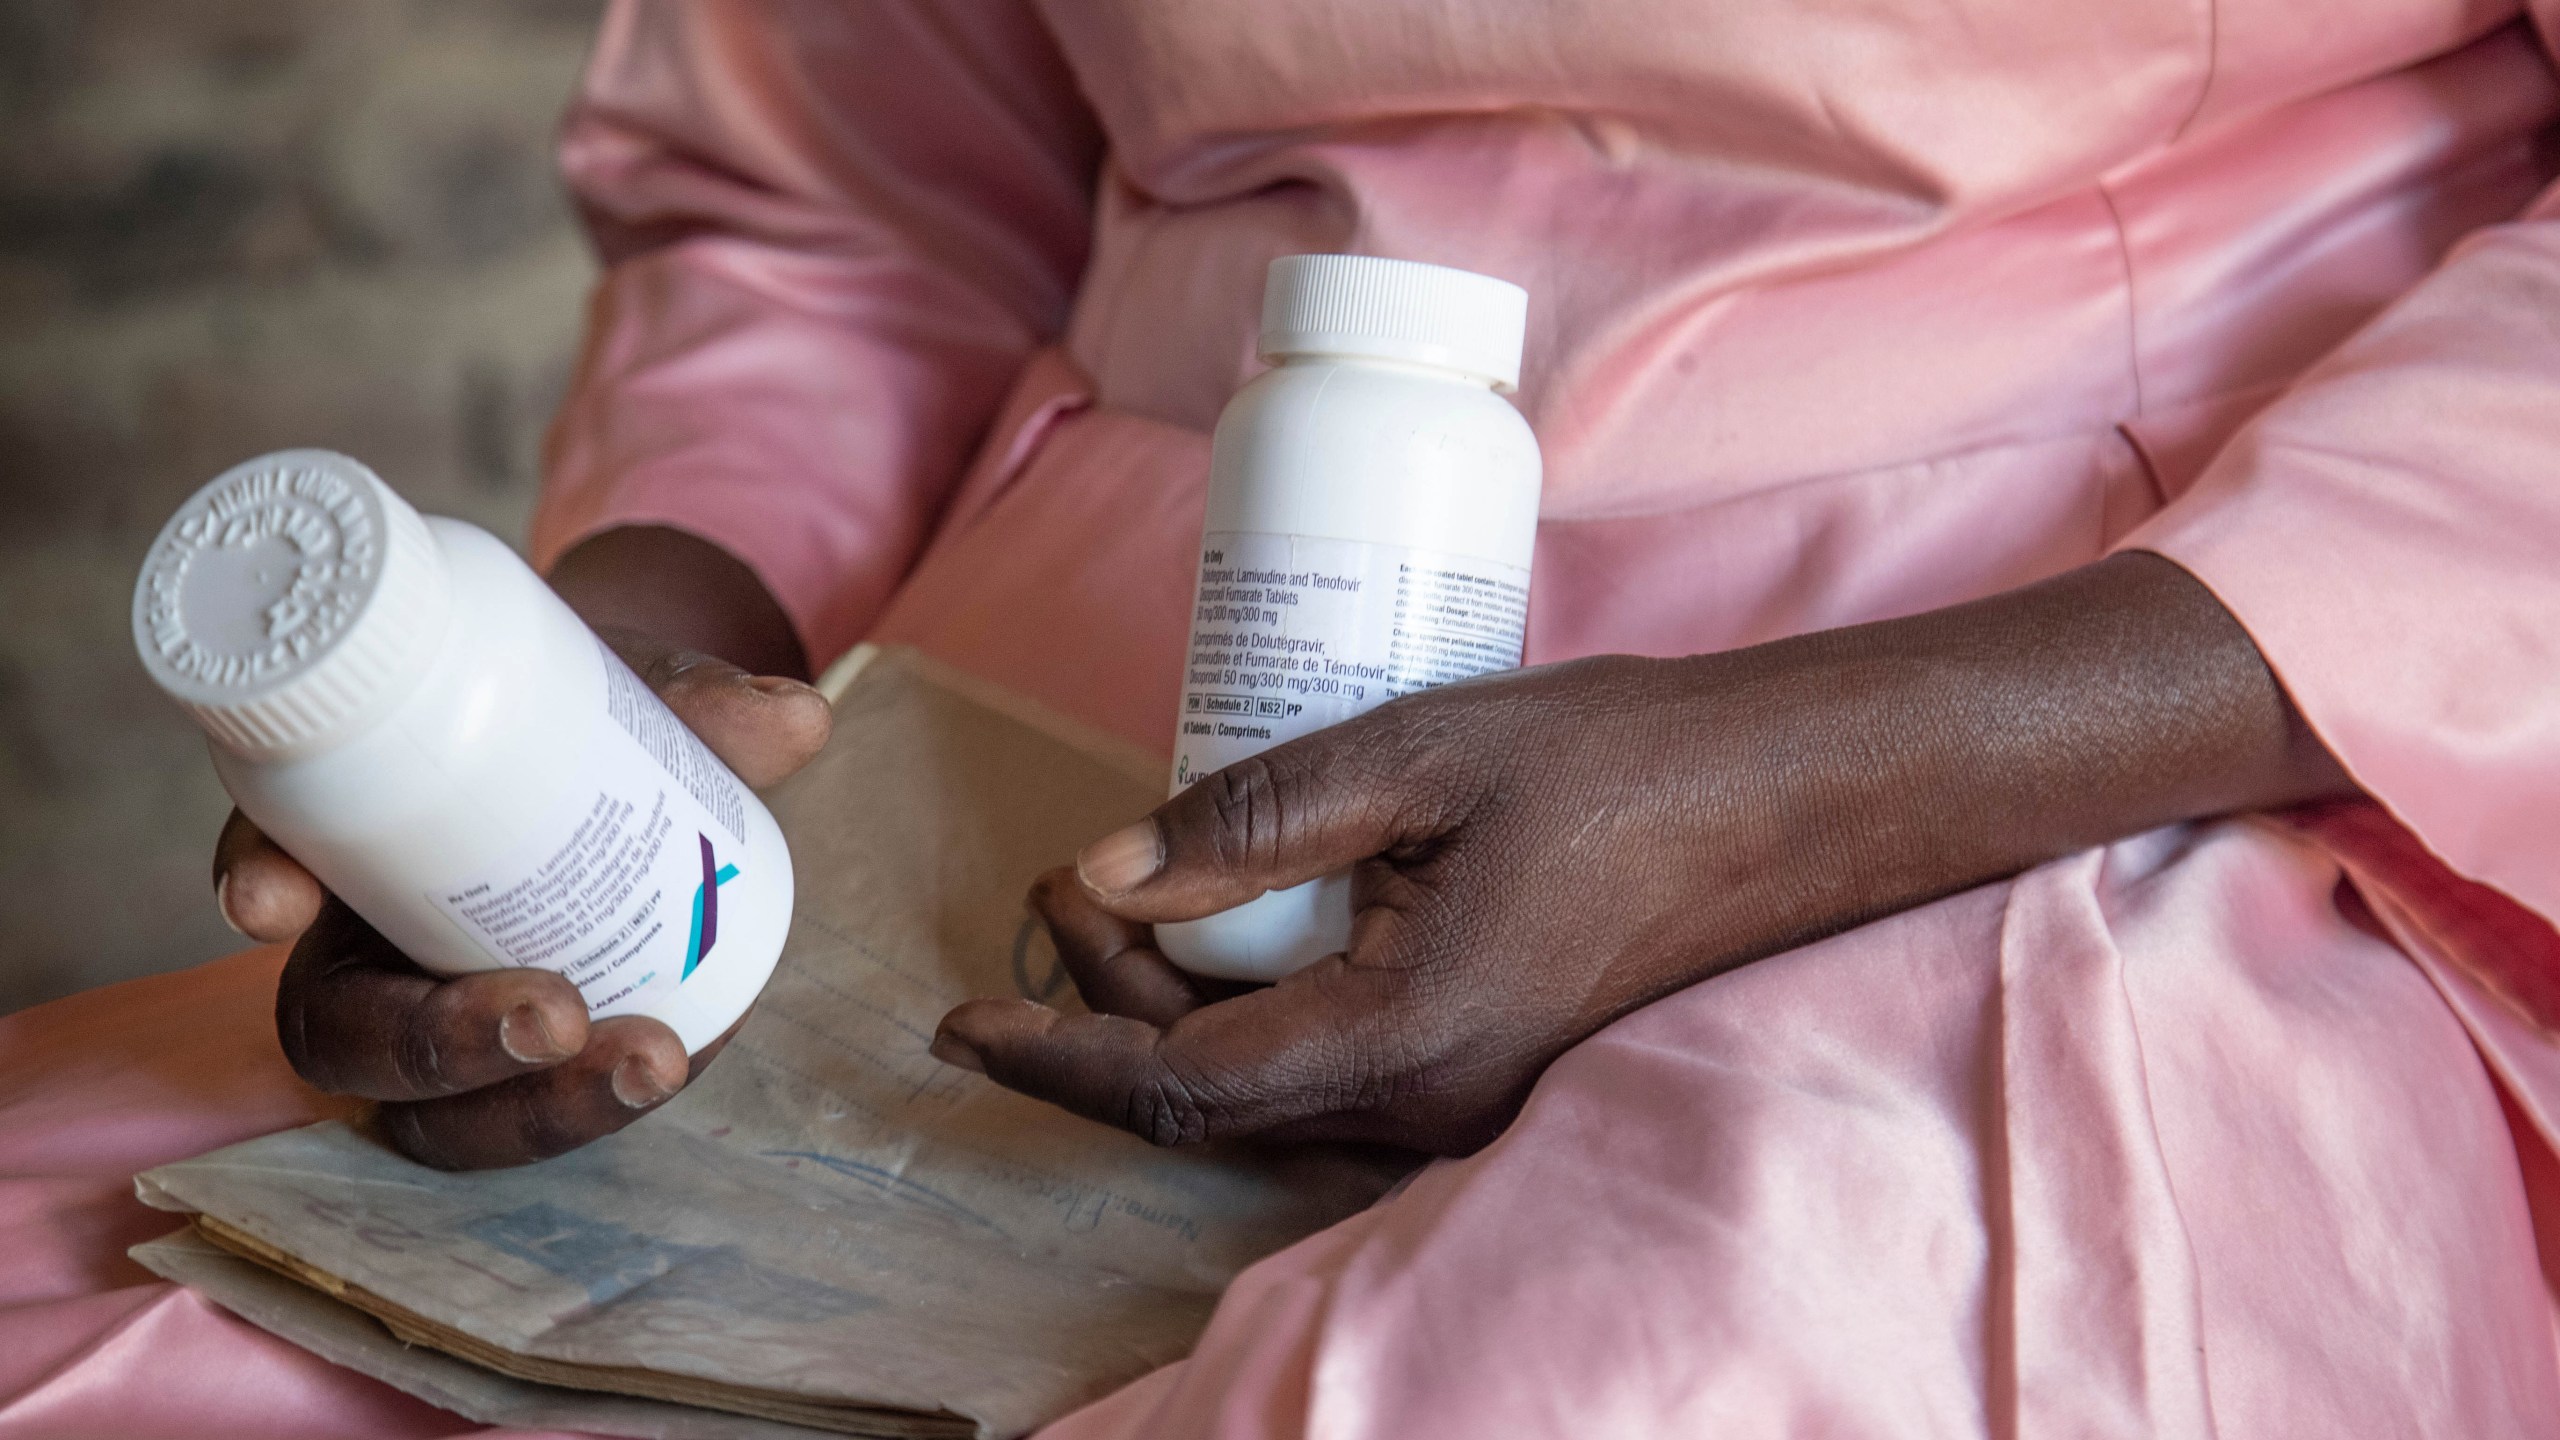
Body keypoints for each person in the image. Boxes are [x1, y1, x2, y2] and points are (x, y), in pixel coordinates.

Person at [12, 1, 2560, 1434]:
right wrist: (574, 726)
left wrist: (1815, 790)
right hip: (1058, 697)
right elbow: (839, 192)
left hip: (2085, 704)